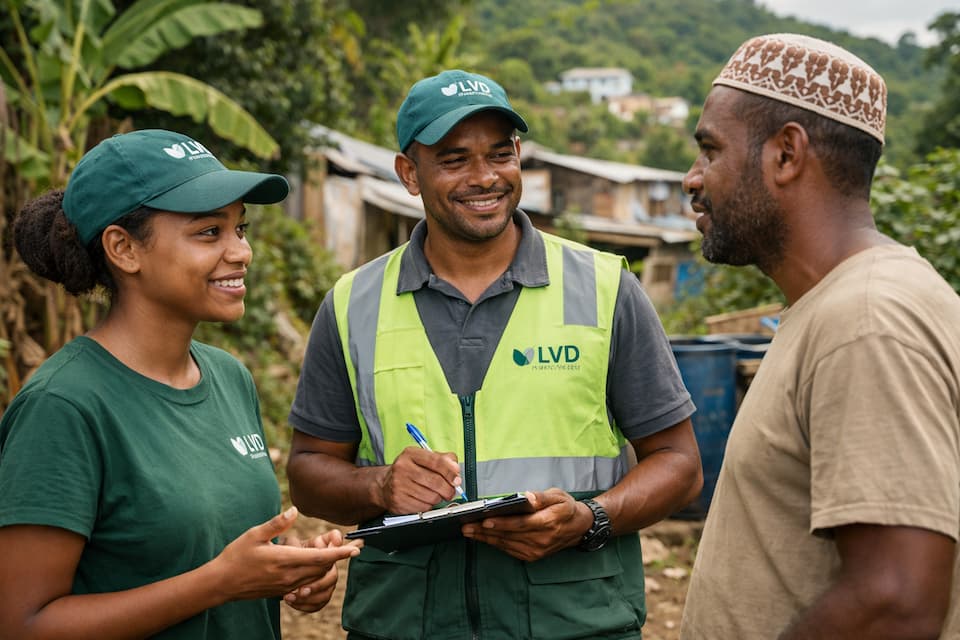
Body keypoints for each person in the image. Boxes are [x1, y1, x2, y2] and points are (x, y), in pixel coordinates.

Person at [286, 69, 703, 639]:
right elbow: (309, 472)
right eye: (454, 159)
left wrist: (589, 519)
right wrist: (379, 487)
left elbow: (679, 464)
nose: (485, 177)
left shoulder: (604, 288)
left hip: (576, 623)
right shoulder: (353, 303)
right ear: (409, 173)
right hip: (406, 622)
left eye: (500, 154)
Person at [0, 129, 362, 639]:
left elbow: (206, 549)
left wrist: (282, 572)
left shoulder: (229, 377)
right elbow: (22, 625)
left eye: (241, 228)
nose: (242, 252)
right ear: (124, 249)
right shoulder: (63, 406)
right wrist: (220, 583)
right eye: (209, 233)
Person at [679, 34, 960, 639]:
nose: (692, 179)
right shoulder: (835, 304)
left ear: (786, 154)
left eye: (710, 150)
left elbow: (896, 599)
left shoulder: (867, 320)